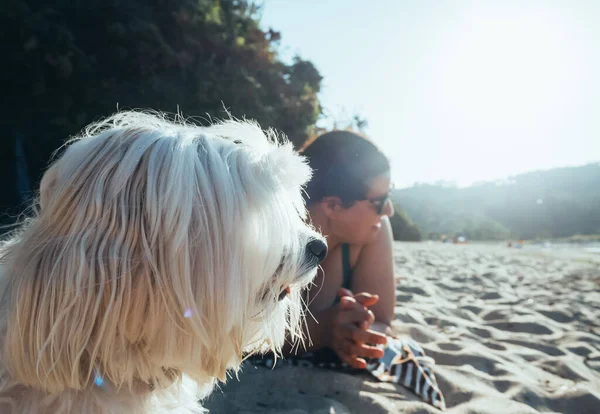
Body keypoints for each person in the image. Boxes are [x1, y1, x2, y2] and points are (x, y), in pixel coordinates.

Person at [283, 129, 397, 369]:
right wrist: (321, 332)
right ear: (333, 205)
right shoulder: (275, 240)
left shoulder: (372, 231)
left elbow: (383, 319)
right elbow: (238, 331)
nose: (388, 211)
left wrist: (359, 334)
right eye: (379, 202)